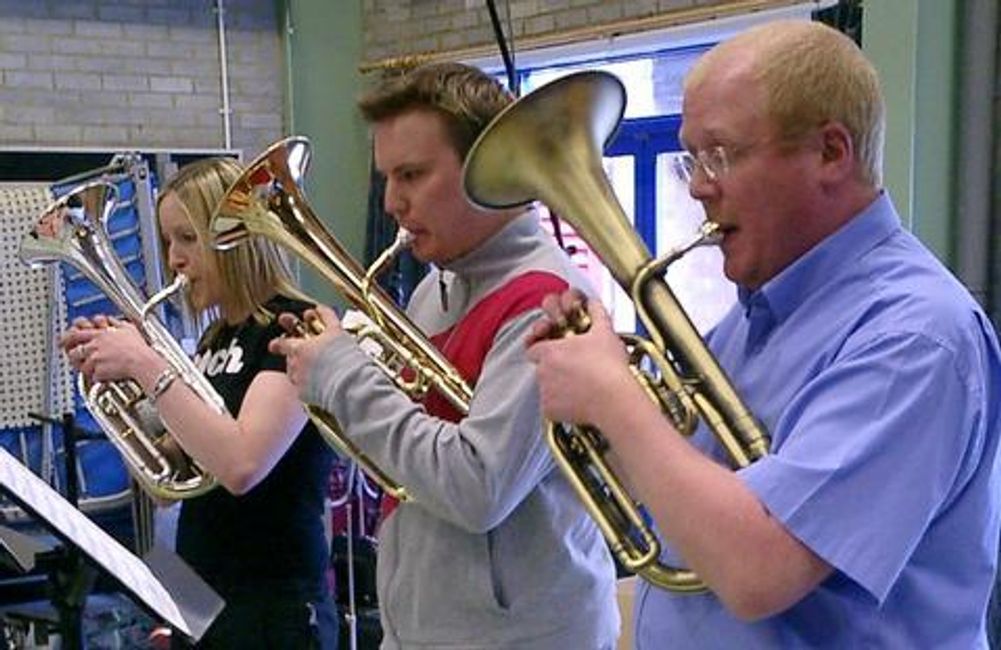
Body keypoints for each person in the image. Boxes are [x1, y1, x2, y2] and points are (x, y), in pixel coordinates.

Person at [526, 19, 1001, 649]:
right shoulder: (751, 320)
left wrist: (613, 396)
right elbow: (687, 505)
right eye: (691, 158)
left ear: (831, 153)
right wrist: (594, 408)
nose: (697, 186)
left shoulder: (915, 335)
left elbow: (758, 570)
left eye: (721, 154)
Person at [269, 62, 620, 649]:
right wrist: (323, 380)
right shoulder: (438, 287)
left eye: (411, 175)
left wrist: (343, 375)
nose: (391, 202)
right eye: (386, 177)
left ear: (491, 169)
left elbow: (477, 486)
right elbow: (402, 460)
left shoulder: (546, 300)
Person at [60, 157, 339, 649]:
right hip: (199, 590)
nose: (174, 260)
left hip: (270, 601)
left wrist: (145, 365)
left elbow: (241, 465)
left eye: (187, 239)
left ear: (235, 236)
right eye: (169, 242)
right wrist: (119, 378)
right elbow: (173, 487)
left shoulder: (296, 328)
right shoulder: (214, 338)